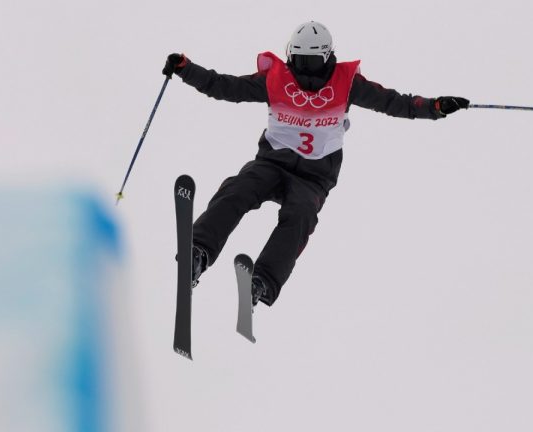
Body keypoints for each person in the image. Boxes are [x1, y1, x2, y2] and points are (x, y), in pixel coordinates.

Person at [162, 21, 469, 307]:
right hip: (271, 163)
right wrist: (186, 69)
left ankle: (262, 281)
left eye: (311, 63)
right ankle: (198, 252)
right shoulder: (275, 79)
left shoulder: (347, 83)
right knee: (237, 190)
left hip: (312, 178)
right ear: (289, 56)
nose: (304, 71)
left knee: (301, 215)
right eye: (298, 61)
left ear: (327, 57)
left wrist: (435, 107)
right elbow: (223, 86)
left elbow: (395, 102)